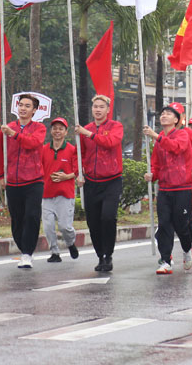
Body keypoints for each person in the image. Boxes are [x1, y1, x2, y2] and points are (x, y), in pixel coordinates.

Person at [0, 94, 46, 269]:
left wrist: (14, 135)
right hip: (13, 181)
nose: (23, 108)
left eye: (27, 106)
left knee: (32, 216)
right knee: (17, 219)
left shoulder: (39, 128)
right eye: (21, 105)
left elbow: (33, 144)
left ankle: (27, 253)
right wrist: (1, 175)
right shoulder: (7, 129)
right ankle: (24, 248)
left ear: (34, 110)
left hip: (34, 180)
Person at [144, 105, 192, 274]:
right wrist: (152, 175)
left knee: (181, 224)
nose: (164, 116)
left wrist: (155, 137)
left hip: (183, 187)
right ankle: (166, 260)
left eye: (168, 114)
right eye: (162, 113)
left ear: (177, 120)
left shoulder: (183, 135)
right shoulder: (159, 138)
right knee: (164, 224)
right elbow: (156, 162)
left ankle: (187, 248)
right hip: (165, 188)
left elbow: (176, 148)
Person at [76, 94, 124, 272]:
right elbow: (79, 154)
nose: (97, 109)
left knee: (108, 217)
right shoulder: (85, 129)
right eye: (95, 106)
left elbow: (110, 142)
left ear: (107, 109)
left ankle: (108, 254)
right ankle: (100, 255)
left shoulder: (115, 127)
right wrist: (78, 173)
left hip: (112, 181)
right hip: (91, 182)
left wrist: (89, 134)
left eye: (101, 106)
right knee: (93, 221)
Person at [41, 117, 79, 263]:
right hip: (47, 194)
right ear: (51, 131)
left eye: (60, 129)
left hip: (65, 194)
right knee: (49, 226)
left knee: (64, 227)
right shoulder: (44, 149)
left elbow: (77, 171)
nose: (57, 131)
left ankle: (70, 243)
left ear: (66, 132)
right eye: (55, 128)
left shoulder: (72, 150)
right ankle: (54, 252)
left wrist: (66, 176)